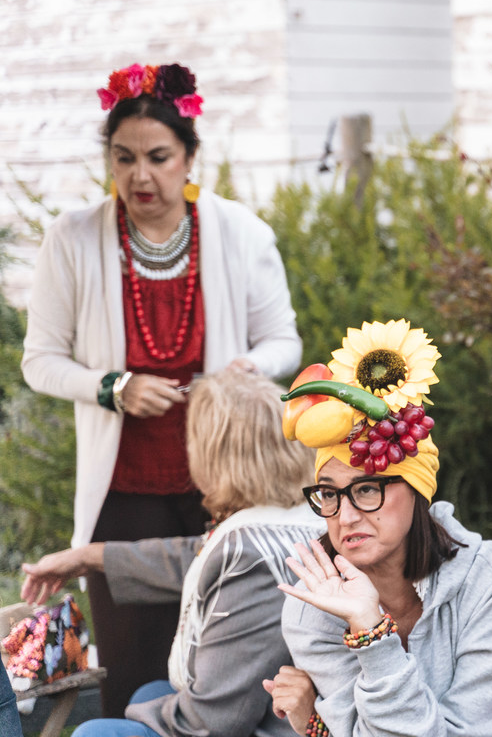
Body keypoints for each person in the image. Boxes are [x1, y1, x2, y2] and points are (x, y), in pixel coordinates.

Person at [20, 61, 302, 715]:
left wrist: (241, 370)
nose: (139, 176)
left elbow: (283, 342)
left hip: (228, 484)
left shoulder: (241, 233)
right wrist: (112, 387)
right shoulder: (73, 239)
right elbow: (41, 361)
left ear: (190, 157)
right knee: (130, 669)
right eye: (123, 158)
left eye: (158, 157)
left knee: (226, 663)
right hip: (124, 492)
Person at [264, 319, 492, 737]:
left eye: (367, 489)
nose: (345, 516)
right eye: (329, 493)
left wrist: (371, 639)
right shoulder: (313, 610)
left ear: (417, 491)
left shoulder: (491, 582)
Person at [20, 370, 323, 737]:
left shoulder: (251, 557)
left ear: (215, 456)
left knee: (95, 732)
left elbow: (215, 721)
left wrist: (136, 715)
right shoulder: (298, 519)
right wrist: (87, 556)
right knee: (152, 692)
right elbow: (195, 555)